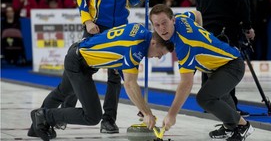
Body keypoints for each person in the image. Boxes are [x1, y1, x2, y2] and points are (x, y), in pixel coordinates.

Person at [29, 22, 174, 141]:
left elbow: (121, 60)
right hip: (79, 63)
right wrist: (146, 112)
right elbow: (130, 84)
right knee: (92, 116)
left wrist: (142, 108)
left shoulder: (139, 29)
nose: (158, 57)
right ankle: (45, 116)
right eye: (160, 53)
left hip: (79, 53)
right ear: (154, 43)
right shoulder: (136, 48)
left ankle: (35, 127)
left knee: (63, 92)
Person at [75, 0, 152, 134]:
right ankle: (67, 106)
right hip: (96, 27)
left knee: (115, 77)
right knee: (79, 69)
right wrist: (87, 22)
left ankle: (108, 120)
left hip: (120, 30)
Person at [149, 4, 255, 141]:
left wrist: (172, 114)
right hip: (218, 66)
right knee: (219, 94)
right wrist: (201, 33)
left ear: (172, 20)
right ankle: (230, 126)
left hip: (232, 64)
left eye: (164, 23)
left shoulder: (185, 45)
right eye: (157, 25)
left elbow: (186, 84)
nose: (162, 28)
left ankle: (243, 126)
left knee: (205, 98)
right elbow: (197, 14)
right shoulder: (182, 18)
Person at [196, 0, 255, 117]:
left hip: (206, 28)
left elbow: (198, 6)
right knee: (228, 65)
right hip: (227, 28)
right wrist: (247, 25)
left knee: (208, 63)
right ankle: (229, 106)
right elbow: (242, 1)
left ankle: (208, 103)